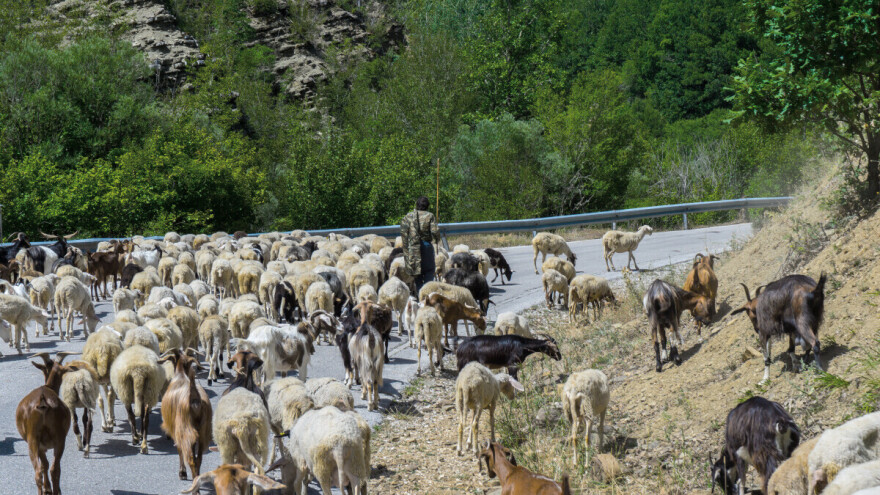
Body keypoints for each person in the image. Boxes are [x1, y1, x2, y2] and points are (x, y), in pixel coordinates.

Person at [400, 196, 440, 294]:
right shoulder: (430, 216)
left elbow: (403, 232)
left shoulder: (409, 216)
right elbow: (435, 231)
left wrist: (407, 248)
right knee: (429, 270)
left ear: (417, 205)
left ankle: (420, 294)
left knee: (416, 272)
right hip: (426, 246)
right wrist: (437, 240)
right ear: (427, 206)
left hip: (413, 247)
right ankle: (427, 293)